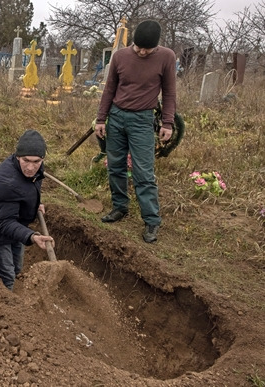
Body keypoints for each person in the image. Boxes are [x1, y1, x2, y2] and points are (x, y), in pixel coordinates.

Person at [95, 20, 176, 243]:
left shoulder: (166, 57)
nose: (141, 52)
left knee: (144, 172)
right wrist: (101, 119)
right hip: (117, 116)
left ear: (156, 47)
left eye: (146, 49)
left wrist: (167, 123)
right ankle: (120, 207)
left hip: (142, 119)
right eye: (138, 47)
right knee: (115, 166)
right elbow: (109, 88)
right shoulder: (120, 56)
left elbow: (169, 93)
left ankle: (151, 220)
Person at [0, 130, 54, 290]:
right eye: (26, 161)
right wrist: (32, 236)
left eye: (36, 161)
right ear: (17, 156)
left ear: (42, 159)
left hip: (17, 223)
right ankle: (6, 307)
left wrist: (34, 203)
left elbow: (30, 186)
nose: (31, 167)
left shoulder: (36, 168)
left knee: (17, 267)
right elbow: (5, 223)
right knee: (7, 276)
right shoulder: (6, 183)